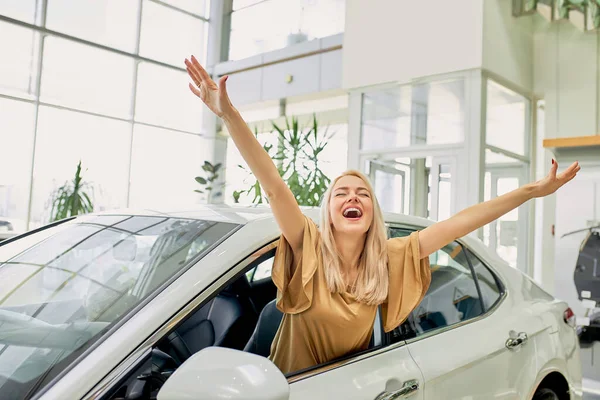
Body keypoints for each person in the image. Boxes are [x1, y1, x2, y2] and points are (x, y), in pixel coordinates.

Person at [184, 55, 581, 374]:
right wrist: (228, 115)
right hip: (287, 389)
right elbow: (272, 185)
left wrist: (533, 191)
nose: (352, 197)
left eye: (363, 193)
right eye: (341, 192)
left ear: (372, 212)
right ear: (330, 211)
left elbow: (465, 221)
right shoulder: (307, 245)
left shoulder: (391, 258)